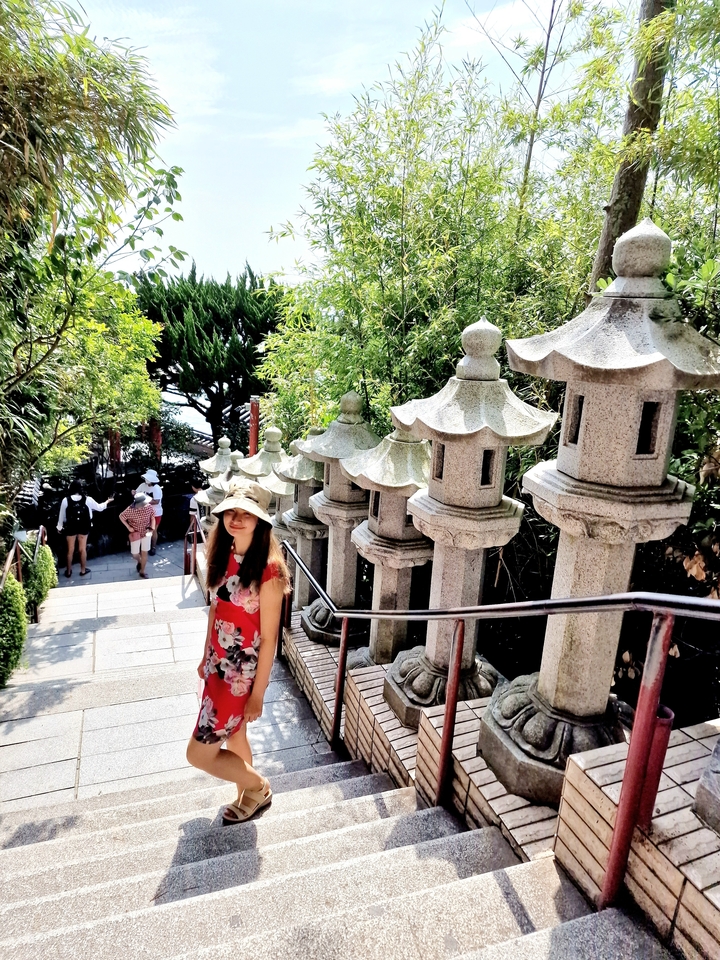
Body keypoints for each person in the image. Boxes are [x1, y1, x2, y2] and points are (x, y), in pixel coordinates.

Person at [186, 477, 289, 824]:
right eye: (230, 511)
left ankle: (258, 786)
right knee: (236, 733)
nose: (236, 519)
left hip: (239, 678)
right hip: (217, 667)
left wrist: (258, 693)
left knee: (198, 755)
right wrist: (205, 656)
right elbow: (216, 609)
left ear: (260, 520)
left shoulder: (269, 570)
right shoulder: (224, 554)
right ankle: (247, 793)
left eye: (246, 513)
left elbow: (271, 638)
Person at [56, 480, 113, 578]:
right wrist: (107, 501)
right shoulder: (87, 499)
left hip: (70, 526)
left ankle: (69, 571)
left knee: (70, 550)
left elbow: (61, 516)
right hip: (84, 526)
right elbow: (100, 508)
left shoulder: (66, 500)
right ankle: (83, 570)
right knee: (82, 549)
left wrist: (59, 527)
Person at [118, 492, 156, 579]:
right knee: (134, 553)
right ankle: (140, 561)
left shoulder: (149, 507)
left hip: (146, 532)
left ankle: (142, 571)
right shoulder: (130, 510)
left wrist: (152, 529)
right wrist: (128, 527)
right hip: (135, 532)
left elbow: (153, 517)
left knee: (144, 552)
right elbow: (121, 516)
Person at [134, 469, 163, 555]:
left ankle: (153, 547)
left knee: (153, 530)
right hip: (144, 511)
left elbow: (156, 501)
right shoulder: (142, 485)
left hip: (155, 512)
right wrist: (134, 493)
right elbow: (136, 492)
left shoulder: (157, 489)